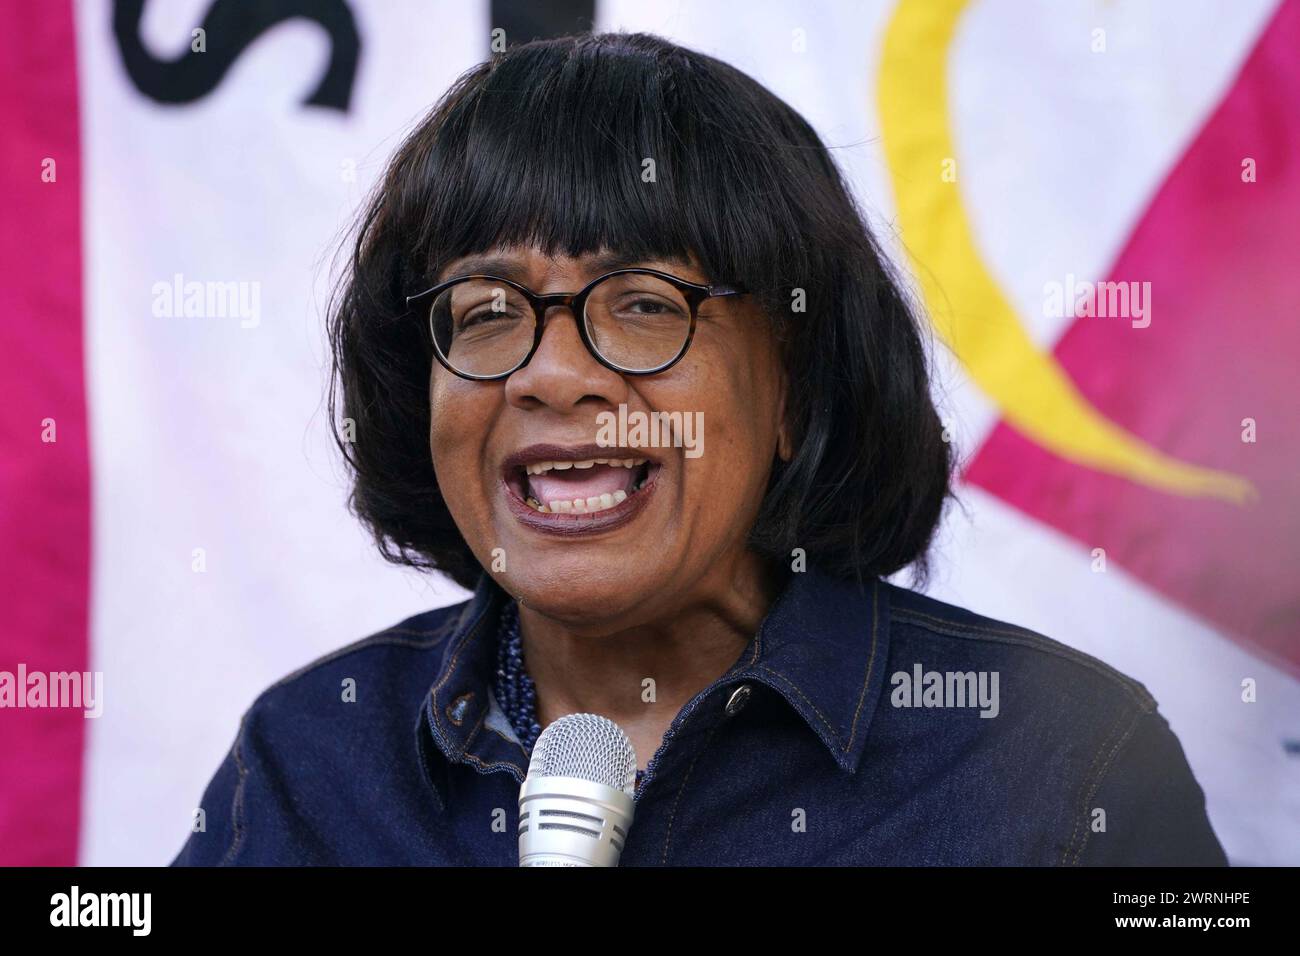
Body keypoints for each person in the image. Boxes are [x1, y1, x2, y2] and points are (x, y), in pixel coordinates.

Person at [171, 31, 1225, 866]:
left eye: (642, 303)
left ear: (794, 385)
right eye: (487, 309)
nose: (550, 375)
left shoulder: (1059, 763)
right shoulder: (311, 760)